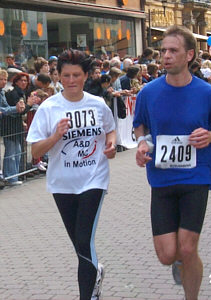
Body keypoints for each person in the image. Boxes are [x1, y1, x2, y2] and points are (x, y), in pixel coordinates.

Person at [133, 25, 211, 300]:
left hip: (196, 176)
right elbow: (139, 124)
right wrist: (142, 143)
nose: (165, 56)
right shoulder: (148, 92)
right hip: (162, 178)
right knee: (168, 255)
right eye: (163, 50)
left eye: (173, 51)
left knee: (188, 248)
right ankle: (179, 262)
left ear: (189, 55)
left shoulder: (207, 93)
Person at [26, 49, 116, 300]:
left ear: (86, 75)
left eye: (77, 75)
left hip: (94, 179)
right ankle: (95, 271)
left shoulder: (97, 104)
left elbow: (110, 130)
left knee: (85, 242)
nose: (71, 80)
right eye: (65, 75)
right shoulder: (49, 107)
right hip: (62, 183)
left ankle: (88, 296)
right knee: (79, 244)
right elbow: (35, 149)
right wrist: (55, 136)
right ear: (58, 76)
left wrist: (110, 145)